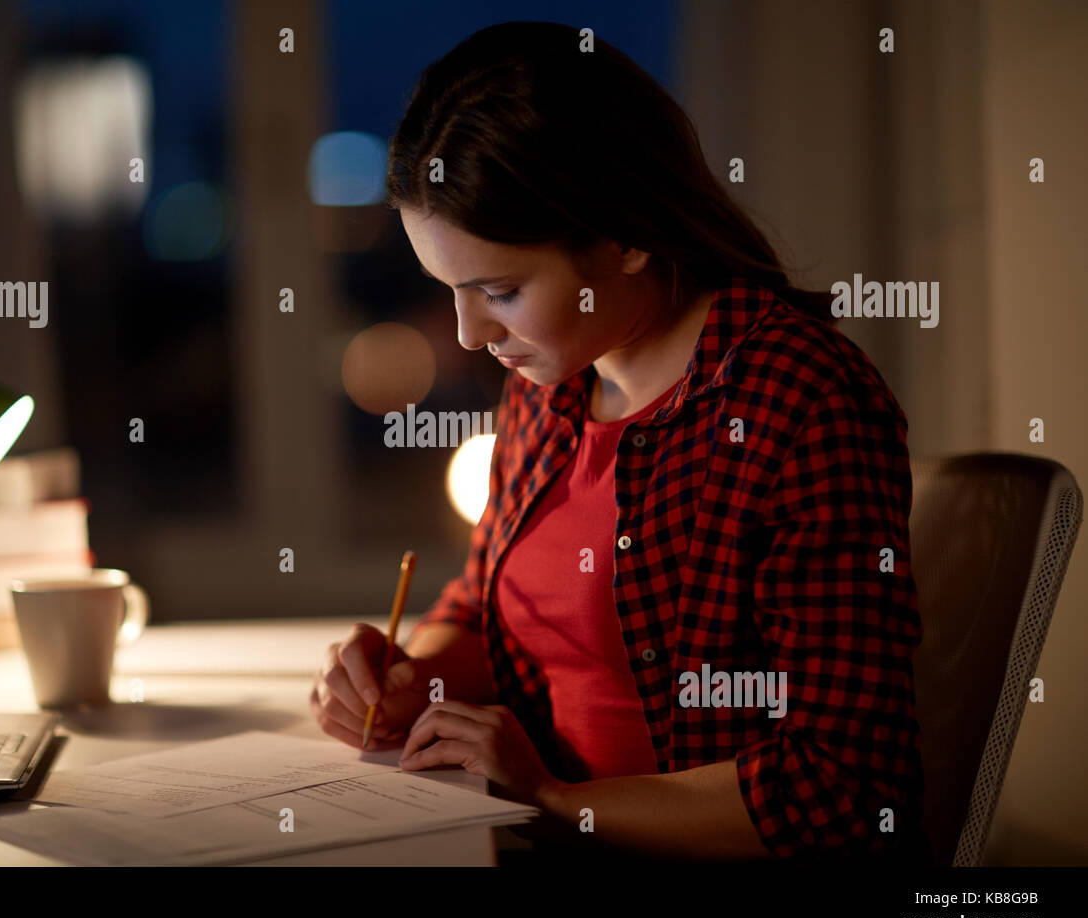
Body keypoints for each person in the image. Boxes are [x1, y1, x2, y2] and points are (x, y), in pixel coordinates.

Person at [310, 21, 928, 862]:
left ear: (624, 236)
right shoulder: (552, 382)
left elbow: (842, 789)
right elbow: (492, 609)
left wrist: (556, 797)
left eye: (500, 289)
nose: (465, 334)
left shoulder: (799, 404)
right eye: (450, 289)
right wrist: (408, 678)